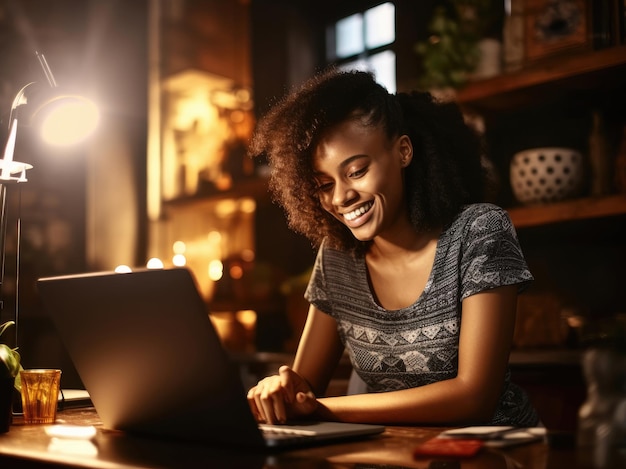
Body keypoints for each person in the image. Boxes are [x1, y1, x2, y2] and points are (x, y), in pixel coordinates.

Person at [246, 68, 539, 427]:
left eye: (356, 171)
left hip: (495, 455)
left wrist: (322, 408)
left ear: (402, 151)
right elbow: (304, 388)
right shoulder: (338, 258)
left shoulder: (478, 232)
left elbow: (474, 397)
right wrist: (279, 390)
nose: (341, 197)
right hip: (396, 455)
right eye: (323, 185)